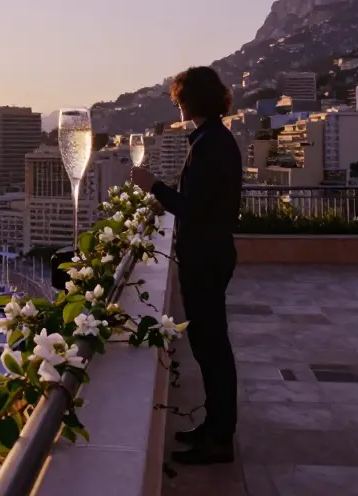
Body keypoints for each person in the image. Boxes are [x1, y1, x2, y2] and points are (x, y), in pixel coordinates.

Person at [130, 65, 242, 466]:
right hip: (211, 254)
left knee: (212, 348)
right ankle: (214, 428)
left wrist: (153, 186)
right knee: (210, 346)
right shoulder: (214, 139)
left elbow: (193, 208)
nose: (175, 104)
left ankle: (220, 437)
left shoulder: (210, 143)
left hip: (206, 258)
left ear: (188, 99)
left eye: (177, 98)